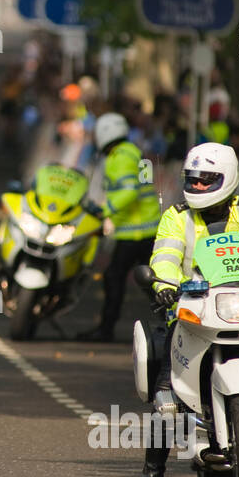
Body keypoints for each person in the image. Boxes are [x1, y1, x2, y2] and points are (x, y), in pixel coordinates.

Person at [125, 141, 239, 477]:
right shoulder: (176, 216)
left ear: (229, 178)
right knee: (165, 387)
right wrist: (163, 284)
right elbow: (165, 255)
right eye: (193, 179)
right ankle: (153, 473)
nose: (199, 187)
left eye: (207, 180)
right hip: (195, 312)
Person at [76, 113, 161, 343]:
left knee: (115, 278)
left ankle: (106, 329)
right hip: (147, 227)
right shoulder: (134, 151)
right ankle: (173, 322)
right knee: (154, 282)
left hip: (134, 230)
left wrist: (105, 209)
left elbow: (129, 191)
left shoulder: (119, 157)